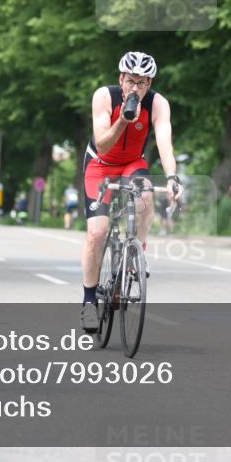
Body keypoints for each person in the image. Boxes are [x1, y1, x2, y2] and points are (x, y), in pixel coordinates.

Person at [80, 51, 183, 333]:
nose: (135, 88)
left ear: (150, 84)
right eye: (130, 81)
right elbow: (103, 145)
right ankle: (89, 300)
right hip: (100, 164)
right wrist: (124, 119)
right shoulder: (104, 97)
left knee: (145, 195)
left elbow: (164, 142)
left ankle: (137, 252)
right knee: (97, 233)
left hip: (132, 163)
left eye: (142, 83)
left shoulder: (158, 104)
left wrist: (172, 178)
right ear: (121, 79)